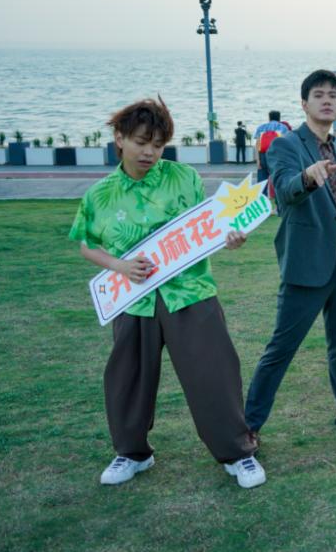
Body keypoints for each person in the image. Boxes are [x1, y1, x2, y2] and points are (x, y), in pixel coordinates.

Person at [69, 96, 265, 489]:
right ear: (120, 139)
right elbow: (87, 245)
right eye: (141, 142)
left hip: (190, 293)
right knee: (128, 378)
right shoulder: (99, 195)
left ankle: (237, 453)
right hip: (132, 300)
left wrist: (230, 238)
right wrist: (120, 265)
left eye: (158, 145)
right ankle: (132, 453)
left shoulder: (184, 178)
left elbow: (209, 226)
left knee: (214, 373)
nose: (150, 152)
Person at [245, 70, 336, 436]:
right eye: (319, 95)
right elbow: (284, 192)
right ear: (304, 104)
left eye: (333, 95)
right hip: (307, 262)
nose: (327, 100)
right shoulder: (285, 146)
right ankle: (249, 425)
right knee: (281, 348)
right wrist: (308, 176)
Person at [255, 111, 290, 202]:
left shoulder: (261, 127)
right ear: (279, 119)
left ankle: (262, 206)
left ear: (269, 118)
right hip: (278, 157)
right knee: (278, 183)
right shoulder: (284, 128)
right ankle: (279, 207)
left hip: (263, 156)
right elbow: (286, 145)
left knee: (262, 183)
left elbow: (257, 144)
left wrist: (258, 160)